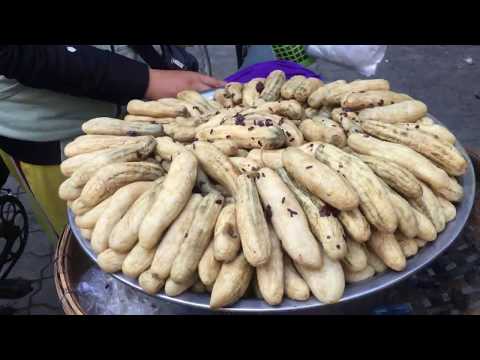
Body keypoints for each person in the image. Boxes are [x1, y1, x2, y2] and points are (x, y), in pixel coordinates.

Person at [0, 45, 225, 241]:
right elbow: (17, 53)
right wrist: (145, 79)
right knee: (87, 236)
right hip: (57, 135)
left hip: (136, 112)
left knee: (165, 220)